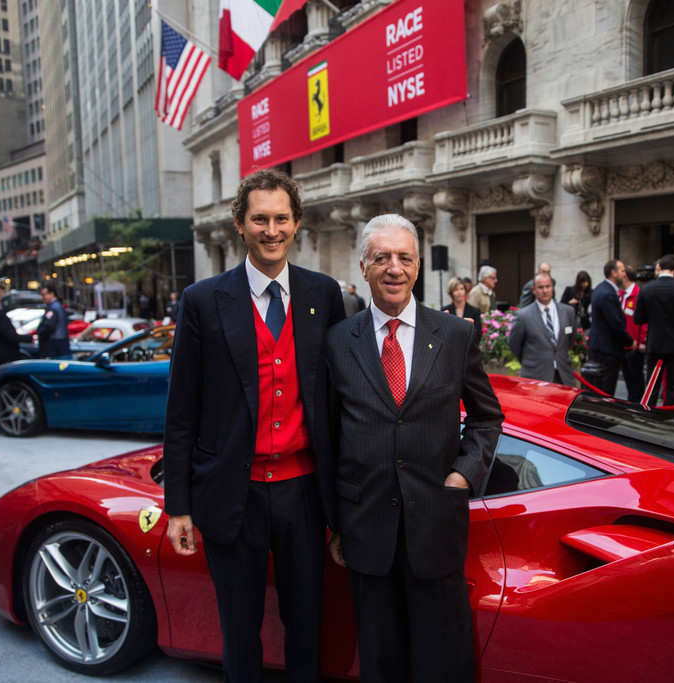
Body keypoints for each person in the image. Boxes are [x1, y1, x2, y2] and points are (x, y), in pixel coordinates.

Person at [163, 169, 345, 683]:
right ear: (239, 225)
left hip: (304, 495)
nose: (272, 230)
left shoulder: (323, 294)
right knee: (239, 628)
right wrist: (178, 505)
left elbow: (338, 401)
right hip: (231, 492)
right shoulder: (203, 300)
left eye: (281, 219)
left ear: (297, 223)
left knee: (306, 623)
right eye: (260, 219)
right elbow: (182, 409)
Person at [326, 214, 503, 682]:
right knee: (381, 662)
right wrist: (335, 520)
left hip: (435, 524)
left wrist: (463, 474)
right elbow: (329, 435)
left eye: (404, 257)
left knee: (441, 660)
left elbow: (487, 416)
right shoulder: (337, 341)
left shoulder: (455, 335)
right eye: (381, 257)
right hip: (366, 529)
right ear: (363, 267)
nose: (393, 268)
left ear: (419, 266)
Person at [634, 254, 674, 407]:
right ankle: (670, 420)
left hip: (655, 343)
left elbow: (638, 318)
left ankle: (649, 416)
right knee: (672, 387)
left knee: (652, 384)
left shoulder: (646, 289)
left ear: (659, 267)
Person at [508, 272, 577, 386]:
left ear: (552, 287)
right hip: (536, 377)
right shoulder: (523, 316)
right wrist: (530, 362)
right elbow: (514, 344)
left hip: (564, 376)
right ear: (534, 290)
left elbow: (570, 339)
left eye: (548, 286)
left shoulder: (567, 311)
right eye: (540, 287)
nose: (545, 290)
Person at [587, 260, 632, 396]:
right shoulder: (607, 293)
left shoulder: (602, 289)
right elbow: (615, 323)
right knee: (605, 389)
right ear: (613, 273)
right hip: (607, 349)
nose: (625, 274)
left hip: (602, 347)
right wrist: (630, 341)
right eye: (622, 271)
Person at [618, 266, 647, 403]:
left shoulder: (639, 294)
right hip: (623, 344)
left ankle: (638, 404)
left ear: (625, 277)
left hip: (635, 345)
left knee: (637, 378)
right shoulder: (620, 294)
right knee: (628, 378)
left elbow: (644, 321)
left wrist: (642, 340)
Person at [36, 284, 70, 359]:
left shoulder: (53, 308)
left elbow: (48, 326)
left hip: (55, 346)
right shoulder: (57, 306)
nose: (42, 298)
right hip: (59, 345)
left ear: (51, 294)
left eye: (44, 295)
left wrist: (40, 335)